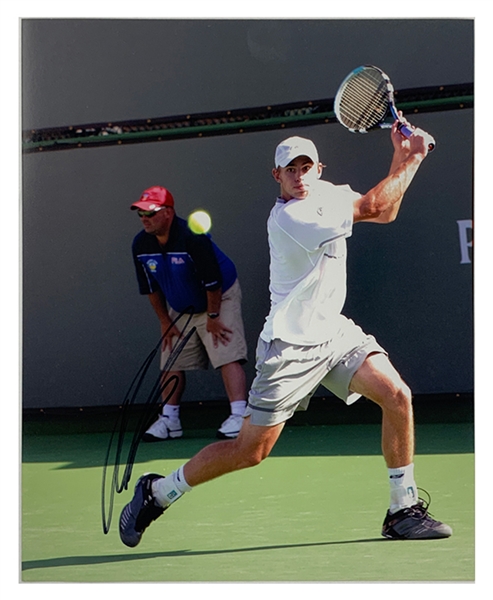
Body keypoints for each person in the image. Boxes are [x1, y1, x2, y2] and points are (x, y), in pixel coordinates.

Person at [120, 121, 453, 547]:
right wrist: (415, 157)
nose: (298, 176)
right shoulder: (288, 217)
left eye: (305, 167)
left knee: (397, 395)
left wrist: (400, 156)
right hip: (290, 347)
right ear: (276, 175)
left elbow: (385, 210)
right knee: (249, 452)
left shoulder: (330, 193)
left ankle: (402, 510)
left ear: (318, 168)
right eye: (289, 169)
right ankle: (158, 491)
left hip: (332, 332)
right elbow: (372, 205)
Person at [130, 185, 248, 440]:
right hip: (182, 305)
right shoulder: (140, 244)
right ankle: (169, 420)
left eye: (150, 213)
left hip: (220, 297)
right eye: (140, 214)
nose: (144, 219)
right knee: (170, 358)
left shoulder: (193, 237)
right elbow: (150, 288)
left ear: (168, 213)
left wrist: (214, 318)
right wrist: (164, 321)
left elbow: (213, 281)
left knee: (227, 352)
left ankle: (240, 415)